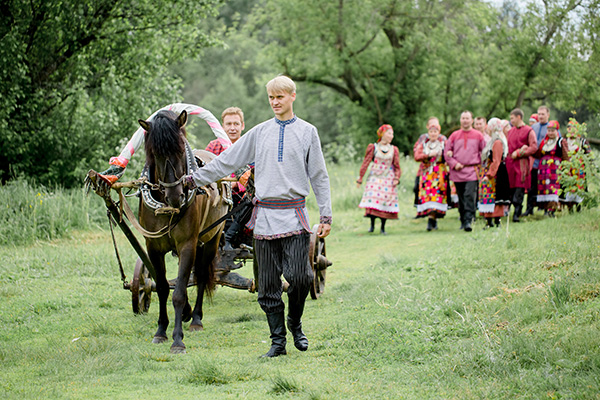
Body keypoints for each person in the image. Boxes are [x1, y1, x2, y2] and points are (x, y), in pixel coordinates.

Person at [185, 75, 332, 358]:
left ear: (292, 96)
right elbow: (226, 161)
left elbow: (319, 175)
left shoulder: (307, 132)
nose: (275, 102)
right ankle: (278, 342)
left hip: (295, 215)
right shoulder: (259, 132)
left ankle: (294, 322)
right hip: (263, 218)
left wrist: (325, 215)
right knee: (267, 285)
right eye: (271, 98)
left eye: (280, 97)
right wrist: (194, 179)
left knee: (301, 277)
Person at [206, 107, 253, 250]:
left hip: (240, 197)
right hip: (216, 194)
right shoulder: (213, 146)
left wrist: (236, 185)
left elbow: (253, 175)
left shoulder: (249, 147)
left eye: (236, 124)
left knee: (252, 199)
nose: (232, 128)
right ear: (222, 126)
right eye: (229, 124)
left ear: (242, 126)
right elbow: (206, 170)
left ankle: (228, 237)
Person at [444, 111, 486, 232]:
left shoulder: (478, 135)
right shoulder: (454, 136)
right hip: (457, 171)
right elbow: (447, 153)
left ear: (472, 120)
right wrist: (454, 163)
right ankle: (463, 219)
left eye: (467, 118)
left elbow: (484, 152)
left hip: (472, 170)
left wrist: (480, 165)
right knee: (461, 197)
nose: (465, 120)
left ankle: (469, 220)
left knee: (469, 195)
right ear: (460, 120)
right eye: (463, 118)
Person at [356, 124, 401, 234]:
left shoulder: (393, 149)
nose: (391, 136)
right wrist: (360, 177)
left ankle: (382, 227)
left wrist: (396, 178)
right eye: (389, 133)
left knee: (384, 202)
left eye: (392, 134)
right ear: (382, 134)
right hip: (375, 177)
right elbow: (366, 162)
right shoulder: (374, 147)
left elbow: (397, 166)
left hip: (387, 178)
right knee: (373, 200)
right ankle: (372, 225)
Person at [414, 120, 448, 231]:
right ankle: (431, 219)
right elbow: (417, 156)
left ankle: (433, 219)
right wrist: (428, 155)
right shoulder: (423, 144)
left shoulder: (443, 143)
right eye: (431, 131)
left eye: (435, 131)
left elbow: (449, 156)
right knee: (428, 196)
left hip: (439, 173)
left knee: (436, 196)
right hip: (427, 173)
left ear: (439, 133)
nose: (433, 134)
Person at [505, 108, 538, 222]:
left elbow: (533, 147)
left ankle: (517, 212)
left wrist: (520, 152)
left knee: (519, 188)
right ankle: (509, 211)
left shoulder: (529, 131)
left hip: (521, 164)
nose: (511, 121)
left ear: (519, 117)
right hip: (510, 163)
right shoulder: (510, 131)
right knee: (511, 188)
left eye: (512, 118)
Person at [477, 118, 511, 228]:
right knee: (488, 196)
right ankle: (489, 221)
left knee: (494, 196)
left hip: (495, 174)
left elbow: (496, 160)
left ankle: (496, 221)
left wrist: (489, 175)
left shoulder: (497, 142)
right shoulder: (492, 141)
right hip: (490, 171)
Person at [524, 106, 555, 216]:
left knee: (546, 186)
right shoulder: (533, 127)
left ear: (548, 115)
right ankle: (529, 209)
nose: (541, 116)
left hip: (546, 163)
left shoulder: (551, 128)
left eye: (543, 114)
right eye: (539, 114)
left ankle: (547, 209)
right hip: (534, 162)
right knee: (531, 186)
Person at [533, 120, 569, 217]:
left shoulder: (561, 141)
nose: (550, 133)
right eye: (549, 131)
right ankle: (545, 208)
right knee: (543, 188)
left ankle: (552, 209)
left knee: (553, 188)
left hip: (554, 169)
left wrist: (566, 168)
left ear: (557, 131)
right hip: (543, 169)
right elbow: (538, 154)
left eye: (552, 131)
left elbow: (565, 155)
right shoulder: (544, 141)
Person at [412, 117, 445, 211]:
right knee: (418, 188)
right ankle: (421, 209)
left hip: (438, 170)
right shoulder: (423, 138)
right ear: (427, 127)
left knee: (437, 191)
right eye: (431, 125)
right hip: (425, 168)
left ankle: (436, 211)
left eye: (436, 125)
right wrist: (427, 154)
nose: (433, 131)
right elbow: (416, 152)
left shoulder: (443, 139)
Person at [561, 119, 592, 211]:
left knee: (579, 186)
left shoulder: (582, 141)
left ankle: (579, 207)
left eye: (574, 128)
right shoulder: (564, 141)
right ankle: (569, 207)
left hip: (579, 168)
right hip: (568, 167)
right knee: (568, 186)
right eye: (569, 128)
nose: (571, 131)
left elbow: (589, 154)